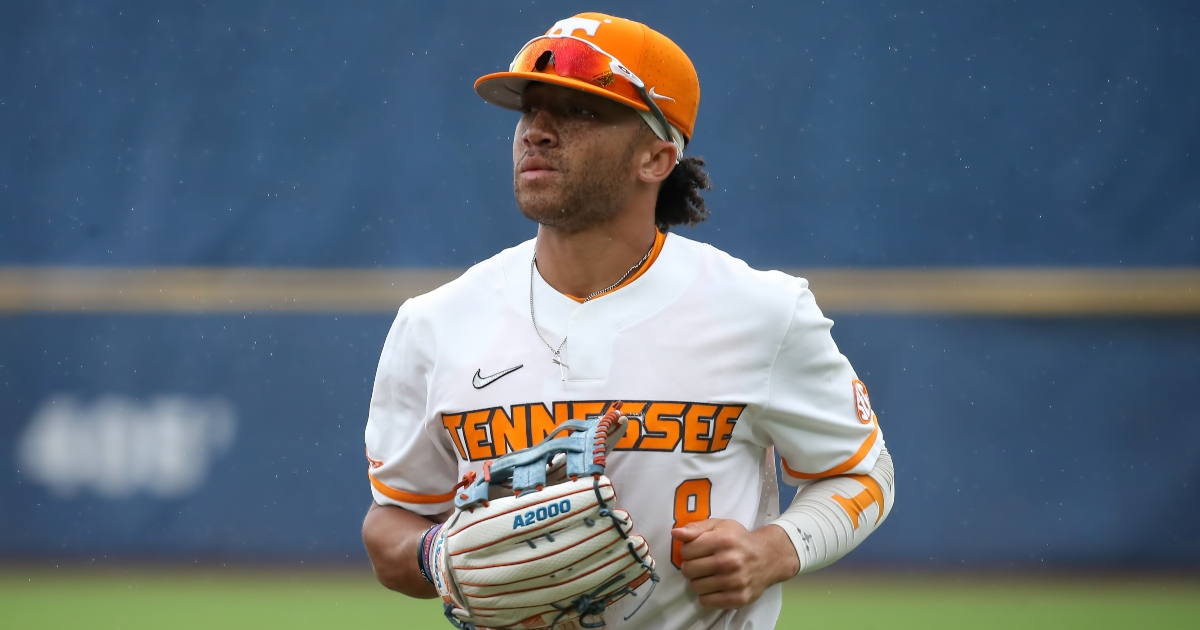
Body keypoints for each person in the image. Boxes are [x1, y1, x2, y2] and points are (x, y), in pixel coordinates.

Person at [361, 12, 895, 629]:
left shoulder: (761, 310)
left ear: (657, 157)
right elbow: (392, 519)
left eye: (580, 111)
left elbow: (863, 472)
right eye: (529, 110)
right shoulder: (435, 323)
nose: (537, 131)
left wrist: (774, 549)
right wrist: (436, 555)